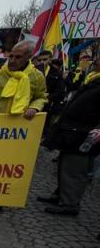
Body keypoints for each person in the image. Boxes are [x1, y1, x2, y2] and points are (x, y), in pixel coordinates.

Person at [38, 56, 100, 216]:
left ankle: (70, 204)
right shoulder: (93, 79)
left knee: (75, 169)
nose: (95, 61)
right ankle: (60, 195)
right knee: (65, 166)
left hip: (84, 134)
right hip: (72, 131)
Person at [0, 41, 47, 120]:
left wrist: (34, 107)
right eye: (11, 56)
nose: (12, 60)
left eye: (18, 57)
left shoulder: (37, 77)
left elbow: (41, 97)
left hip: (18, 127)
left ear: (29, 57)